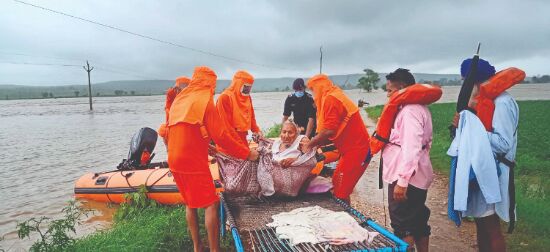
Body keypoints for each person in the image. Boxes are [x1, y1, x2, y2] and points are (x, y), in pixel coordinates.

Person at [167, 66, 259, 252]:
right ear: (209, 83)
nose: (214, 89)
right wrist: (247, 154)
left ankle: (197, 246)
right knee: (211, 203)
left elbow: (179, 130)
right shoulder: (205, 101)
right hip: (192, 160)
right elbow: (222, 136)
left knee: (190, 203)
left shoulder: (180, 100)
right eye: (213, 85)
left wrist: (205, 146)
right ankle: (215, 250)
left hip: (173, 158)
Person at [451, 59, 521, 252]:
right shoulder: (484, 101)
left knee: (491, 227)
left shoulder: (503, 102)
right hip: (482, 169)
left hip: (495, 173)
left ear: (474, 80)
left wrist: (470, 128)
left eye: (465, 81)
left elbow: (503, 144)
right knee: (481, 224)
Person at [382, 68, 434, 252]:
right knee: (418, 221)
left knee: (403, 225)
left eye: (389, 90)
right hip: (417, 174)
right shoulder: (418, 108)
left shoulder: (410, 111)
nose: (388, 95)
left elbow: (412, 147)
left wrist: (402, 181)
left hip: (405, 177)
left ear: (402, 88)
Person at [301, 74, 370, 203]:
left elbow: (328, 131)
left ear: (319, 87)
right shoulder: (334, 95)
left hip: (357, 151)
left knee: (341, 190)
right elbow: (332, 132)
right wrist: (316, 144)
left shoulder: (331, 99)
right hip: (348, 150)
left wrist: (309, 145)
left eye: (313, 90)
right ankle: (345, 214)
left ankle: (346, 218)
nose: (313, 94)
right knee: (337, 183)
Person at [216, 70, 262, 151]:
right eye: (246, 87)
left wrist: (257, 131)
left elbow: (251, 117)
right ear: (238, 84)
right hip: (228, 142)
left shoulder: (248, 97)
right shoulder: (225, 98)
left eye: (249, 87)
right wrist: (243, 149)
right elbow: (227, 128)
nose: (248, 90)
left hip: (242, 138)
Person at [158, 76, 190, 147]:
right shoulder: (172, 93)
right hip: (171, 130)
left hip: (174, 130)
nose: (177, 91)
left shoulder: (187, 96)